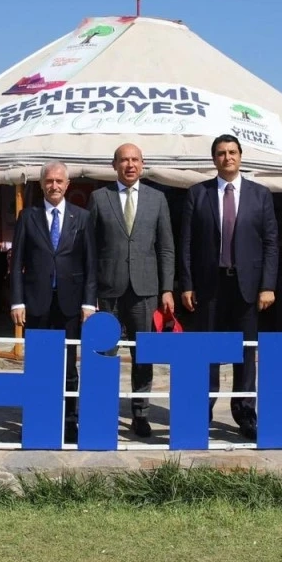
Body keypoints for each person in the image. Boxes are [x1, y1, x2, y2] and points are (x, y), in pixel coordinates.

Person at [179, 134, 278, 441]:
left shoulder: (261, 195)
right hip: (209, 285)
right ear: (214, 159)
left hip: (247, 286)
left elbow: (271, 243)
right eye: (221, 153)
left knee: (246, 352)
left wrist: (268, 285)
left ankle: (245, 414)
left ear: (241, 155)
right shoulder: (198, 194)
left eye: (232, 152)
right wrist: (187, 284)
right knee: (207, 350)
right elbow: (186, 244)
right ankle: (202, 412)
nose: (227, 157)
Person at [88, 143, 175, 438]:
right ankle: (102, 411)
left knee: (143, 354)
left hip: (145, 289)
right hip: (108, 289)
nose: (130, 165)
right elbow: (90, 249)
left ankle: (140, 413)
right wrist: (90, 294)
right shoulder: (99, 198)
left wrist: (166, 288)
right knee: (105, 352)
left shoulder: (157, 198)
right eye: (124, 160)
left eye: (135, 159)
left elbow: (166, 248)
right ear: (114, 165)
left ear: (142, 163)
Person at [9, 161, 96, 444]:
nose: (54, 186)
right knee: (38, 366)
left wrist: (89, 303)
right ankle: (37, 419)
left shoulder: (82, 217)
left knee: (69, 367)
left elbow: (90, 264)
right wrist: (17, 302)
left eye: (59, 181)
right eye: (49, 181)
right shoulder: (28, 217)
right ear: (41, 184)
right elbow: (17, 263)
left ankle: (70, 422)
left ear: (68, 185)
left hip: (70, 304)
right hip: (37, 303)